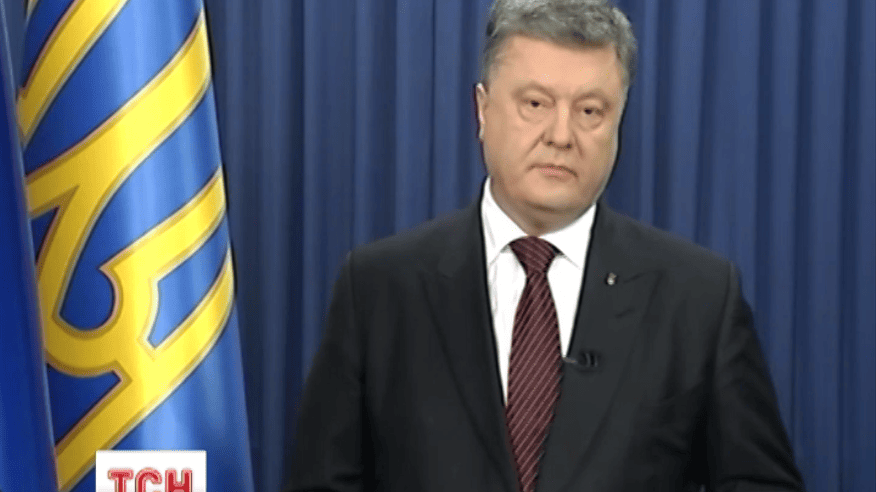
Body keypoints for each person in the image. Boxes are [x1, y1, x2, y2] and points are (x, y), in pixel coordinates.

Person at [286, 0, 805, 491]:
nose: (561, 135)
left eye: (590, 111)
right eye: (535, 104)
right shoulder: (378, 290)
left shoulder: (699, 299)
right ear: (483, 110)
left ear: (618, 123)